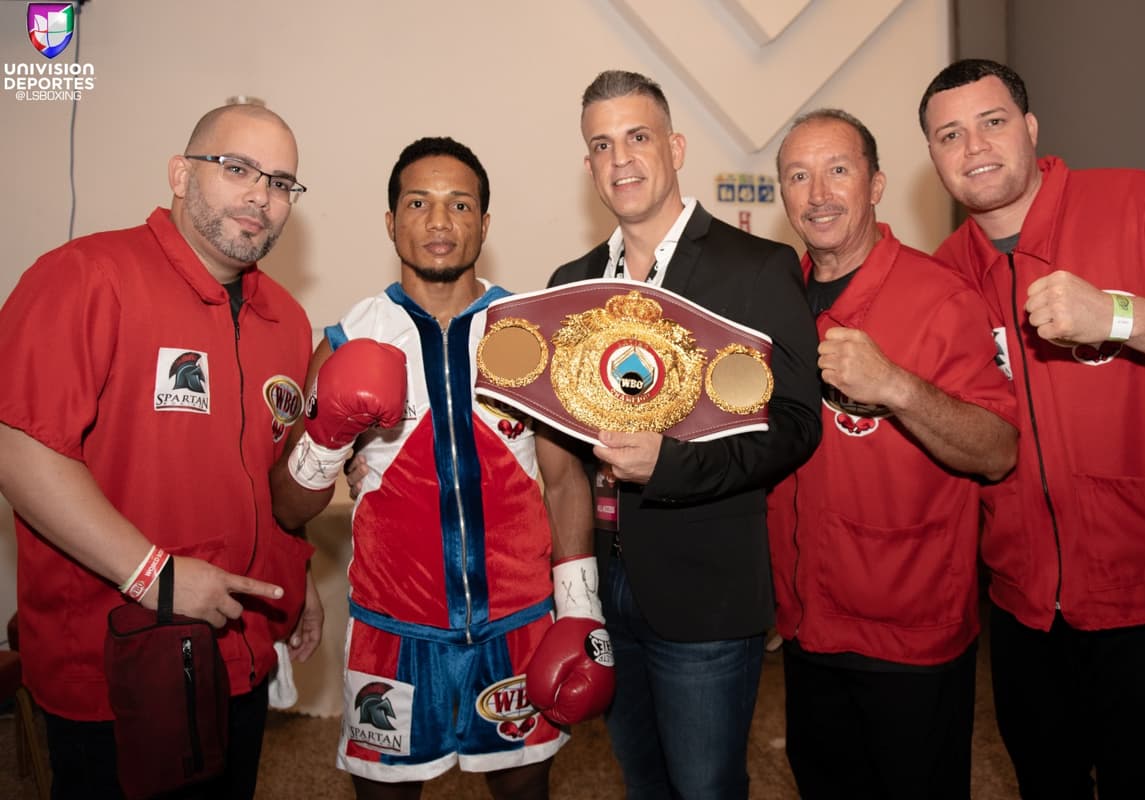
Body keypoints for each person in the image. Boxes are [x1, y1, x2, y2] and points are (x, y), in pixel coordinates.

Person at [920, 58, 1145, 798]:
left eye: (992, 122)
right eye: (949, 135)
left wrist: (1117, 315)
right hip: (1022, 603)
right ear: (933, 156)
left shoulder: (1141, 204)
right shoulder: (945, 274)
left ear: (1030, 128)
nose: (974, 146)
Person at [271, 136, 612, 800]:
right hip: (393, 633)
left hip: (517, 624)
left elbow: (565, 480)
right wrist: (329, 436)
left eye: (460, 204)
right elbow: (288, 505)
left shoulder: (529, 335)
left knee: (526, 793)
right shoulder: (348, 341)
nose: (438, 220)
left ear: (484, 223)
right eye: (417, 203)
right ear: (390, 221)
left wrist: (580, 609)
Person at [0, 103, 321, 799]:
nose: (260, 196)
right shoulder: (85, 275)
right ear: (180, 174)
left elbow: (263, 476)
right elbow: (20, 449)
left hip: (238, 653)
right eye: (237, 169)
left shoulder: (288, 322)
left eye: (280, 183)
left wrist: (299, 579)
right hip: (116, 664)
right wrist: (157, 576)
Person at [539, 69, 822, 798]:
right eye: (602, 144)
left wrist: (669, 465)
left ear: (676, 147)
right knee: (642, 782)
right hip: (605, 587)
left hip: (706, 588)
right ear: (588, 166)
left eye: (638, 136)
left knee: (705, 788)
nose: (621, 158)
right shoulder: (571, 283)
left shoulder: (755, 267)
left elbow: (796, 425)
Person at [766, 109, 1018, 799]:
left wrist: (897, 388)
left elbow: (998, 451)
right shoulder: (774, 300)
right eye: (798, 176)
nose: (818, 193)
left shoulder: (940, 298)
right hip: (808, 626)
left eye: (837, 170)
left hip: (909, 640)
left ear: (875, 184)